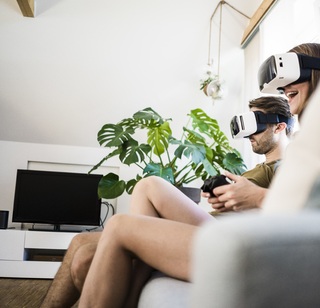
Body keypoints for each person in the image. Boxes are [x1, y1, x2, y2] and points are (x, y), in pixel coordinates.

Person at [40, 95, 293, 308]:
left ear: (279, 127)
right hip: (213, 224)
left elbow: (293, 207)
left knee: (150, 185)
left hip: (221, 235)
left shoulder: (287, 165)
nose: (249, 134)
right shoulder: (261, 167)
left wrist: (255, 198)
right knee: (80, 244)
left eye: (256, 124)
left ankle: (134, 275)